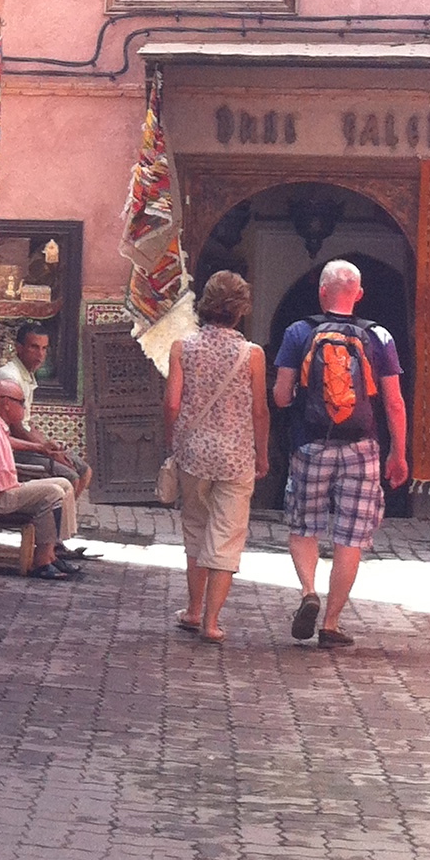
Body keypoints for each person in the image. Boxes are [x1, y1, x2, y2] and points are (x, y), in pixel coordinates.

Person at [272, 257, 409, 647]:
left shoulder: (299, 332)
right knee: (350, 538)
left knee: (303, 526)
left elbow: (281, 398)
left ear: (321, 290)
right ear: (359, 295)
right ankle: (330, 624)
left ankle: (308, 593)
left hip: (310, 444)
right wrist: (397, 453)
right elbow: (394, 402)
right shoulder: (379, 337)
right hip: (362, 447)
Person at [163, 269, 269, 646]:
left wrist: (171, 442)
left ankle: (192, 609)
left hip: (194, 454)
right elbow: (259, 411)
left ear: (206, 304)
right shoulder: (252, 354)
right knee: (226, 535)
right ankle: (211, 621)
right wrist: (263, 454)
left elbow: (172, 402)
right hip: (236, 456)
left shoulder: (182, 347)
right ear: (240, 310)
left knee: (195, 527)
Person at [0, 370, 85, 582]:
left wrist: (40, 448)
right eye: (21, 402)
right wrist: (25, 487)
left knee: (65, 484)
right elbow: (1, 482)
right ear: (6, 403)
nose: (24, 408)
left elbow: (7, 443)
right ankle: (42, 560)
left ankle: (52, 552)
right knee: (52, 492)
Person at [2, 321, 93, 552]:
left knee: (84, 470)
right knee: (70, 478)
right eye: (34, 347)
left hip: (26, 445)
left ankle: (55, 538)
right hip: (11, 451)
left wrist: (51, 447)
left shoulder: (28, 376)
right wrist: (45, 451)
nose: (40, 354)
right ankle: (49, 546)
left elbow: (28, 424)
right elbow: (16, 430)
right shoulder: (10, 377)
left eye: (44, 349)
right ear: (19, 348)